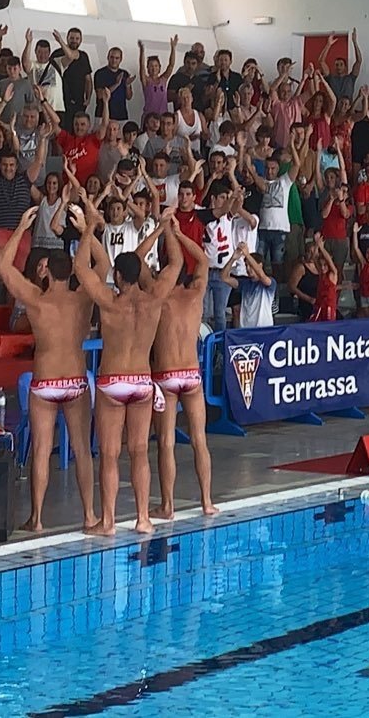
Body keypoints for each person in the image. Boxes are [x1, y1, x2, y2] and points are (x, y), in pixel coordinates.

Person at [68, 196, 175, 535]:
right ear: (140, 273)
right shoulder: (155, 299)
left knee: (110, 454)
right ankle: (143, 519)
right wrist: (165, 228)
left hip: (113, 381)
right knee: (140, 452)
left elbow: (81, 268)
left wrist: (88, 229)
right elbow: (175, 265)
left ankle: (109, 522)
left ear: (117, 275)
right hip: (142, 382)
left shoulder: (109, 302)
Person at [0, 205, 101, 534]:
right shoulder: (83, 298)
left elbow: (3, 265)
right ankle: (89, 516)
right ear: (71, 273)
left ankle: (37, 519)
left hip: (44, 382)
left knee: (41, 451)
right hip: (75, 380)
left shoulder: (35, 299)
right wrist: (86, 230)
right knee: (82, 450)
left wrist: (21, 228)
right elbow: (105, 265)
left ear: (46, 272)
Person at [153, 218, 217, 518]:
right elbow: (203, 260)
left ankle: (168, 506)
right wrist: (178, 233)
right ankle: (206, 501)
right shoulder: (196, 294)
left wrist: (162, 229)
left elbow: (135, 263)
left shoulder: (159, 297)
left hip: (166, 375)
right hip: (191, 374)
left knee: (166, 443)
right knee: (199, 439)